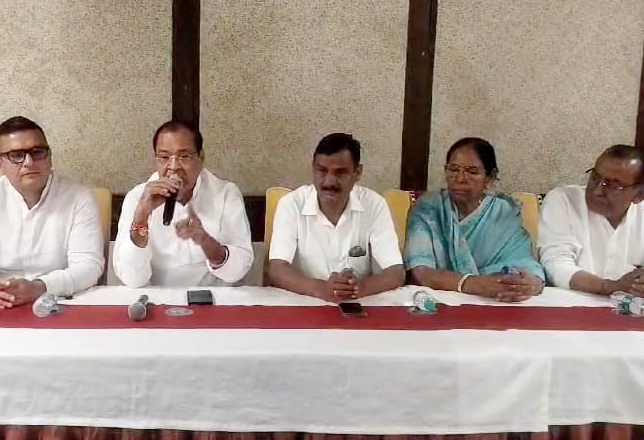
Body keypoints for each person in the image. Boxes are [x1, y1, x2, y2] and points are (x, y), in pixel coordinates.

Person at [0, 116, 104, 308]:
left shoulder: (79, 197)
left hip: (59, 300)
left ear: (49, 157)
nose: (29, 162)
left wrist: (40, 287)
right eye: (16, 155)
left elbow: (88, 266)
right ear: (0, 164)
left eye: (37, 152)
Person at [113, 120, 253, 287]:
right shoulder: (138, 197)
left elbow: (238, 271)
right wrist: (141, 218)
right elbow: (132, 279)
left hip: (214, 296)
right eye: (164, 157)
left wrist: (205, 240)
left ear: (201, 158)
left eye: (184, 156)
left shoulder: (225, 194)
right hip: (156, 296)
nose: (173, 167)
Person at [268, 133, 405, 302]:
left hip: (358, 303)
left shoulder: (374, 204)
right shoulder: (291, 204)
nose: (329, 182)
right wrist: (321, 289)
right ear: (313, 168)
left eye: (340, 172)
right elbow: (277, 270)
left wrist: (360, 288)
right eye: (322, 171)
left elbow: (396, 272)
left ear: (357, 173)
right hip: (305, 302)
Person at [404, 137, 544, 302]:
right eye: (453, 170)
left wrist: (530, 284)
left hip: (496, 301)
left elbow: (526, 265)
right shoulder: (428, 208)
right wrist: (475, 284)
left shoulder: (503, 213)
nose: (460, 179)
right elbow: (420, 272)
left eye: (472, 172)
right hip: (439, 301)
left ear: (490, 177)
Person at [539, 145, 644, 295]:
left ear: (639, 195)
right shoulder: (563, 200)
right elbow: (555, 264)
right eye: (595, 177)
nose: (597, 190)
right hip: (571, 303)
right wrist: (609, 287)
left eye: (613, 185)